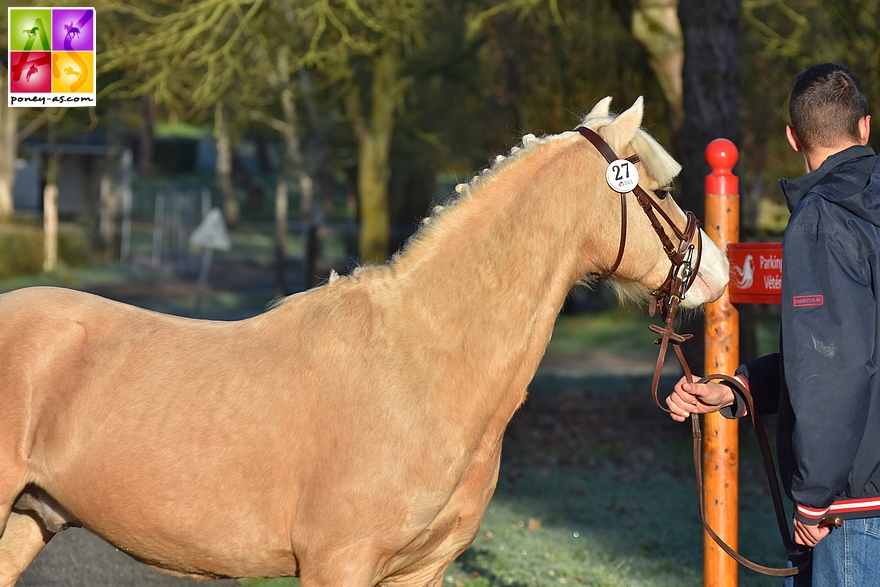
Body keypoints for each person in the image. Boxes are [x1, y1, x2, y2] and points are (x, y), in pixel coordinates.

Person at [666, 63, 880, 586]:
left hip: (851, 511)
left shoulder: (822, 218)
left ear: (792, 137)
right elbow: (845, 348)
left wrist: (814, 496)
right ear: (866, 127)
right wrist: (737, 388)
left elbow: (840, 364)